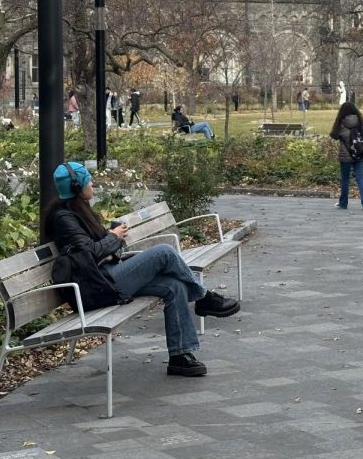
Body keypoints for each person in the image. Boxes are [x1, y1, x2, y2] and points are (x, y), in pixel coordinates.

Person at [46, 161, 240, 377]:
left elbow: (95, 250)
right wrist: (113, 237)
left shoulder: (77, 211)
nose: (92, 183)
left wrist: (111, 240)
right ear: (76, 187)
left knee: (174, 286)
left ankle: (180, 357)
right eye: (88, 180)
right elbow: (91, 252)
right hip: (99, 287)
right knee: (164, 252)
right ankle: (204, 297)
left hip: (107, 277)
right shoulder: (64, 218)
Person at [330, 100, 363, 210]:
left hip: (346, 154)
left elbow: (333, 135)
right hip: (360, 153)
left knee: (345, 179)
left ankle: (343, 203)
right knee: (360, 177)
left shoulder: (341, 122)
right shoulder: (361, 121)